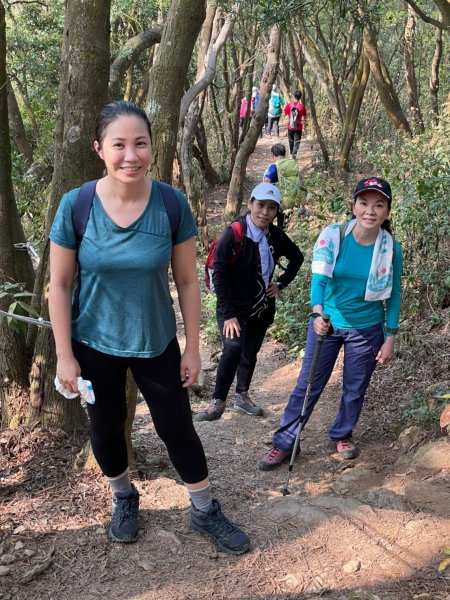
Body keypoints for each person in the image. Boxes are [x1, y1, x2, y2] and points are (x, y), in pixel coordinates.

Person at [48, 100, 250, 555]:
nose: (130, 155)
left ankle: (203, 508)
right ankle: (123, 497)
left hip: (155, 341)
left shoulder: (170, 204)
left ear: (151, 149)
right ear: (100, 148)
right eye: (119, 144)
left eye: (140, 144)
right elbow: (58, 285)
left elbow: (187, 281)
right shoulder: (76, 206)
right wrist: (64, 354)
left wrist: (193, 348)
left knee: (177, 428)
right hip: (92, 343)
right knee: (104, 429)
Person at [259, 177, 403, 469]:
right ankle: (285, 441)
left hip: (367, 328)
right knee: (308, 384)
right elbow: (320, 279)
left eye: (379, 205)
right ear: (353, 205)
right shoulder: (334, 236)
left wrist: (390, 336)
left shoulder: (391, 249)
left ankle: (342, 434)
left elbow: (395, 294)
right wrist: (316, 313)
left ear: (387, 211)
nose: (370, 211)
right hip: (328, 323)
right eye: (364, 203)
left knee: (355, 387)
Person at [195, 183, 303, 422]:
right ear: (250, 204)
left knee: (250, 351)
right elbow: (219, 274)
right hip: (232, 306)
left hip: (261, 305)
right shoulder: (232, 234)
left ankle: (242, 396)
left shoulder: (274, 235)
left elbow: (297, 257)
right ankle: (217, 402)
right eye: (261, 205)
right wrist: (229, 313)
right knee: (232, 348)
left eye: (271, 208)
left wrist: (281, 283)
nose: (265, 212)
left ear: (276, 211)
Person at [263, 144, 302, 211]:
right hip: (295, 200)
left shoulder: (274, 166)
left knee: (279, 217)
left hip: (282, 201)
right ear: (284, 154)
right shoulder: (293, 163)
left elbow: (266, 182)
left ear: (273, 155)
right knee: (287, 218)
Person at [284, 90, 306, 160]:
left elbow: (285, 114)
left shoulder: (289, 105)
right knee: (297, 142)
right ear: (300, 97)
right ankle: (294, 154)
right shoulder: (302, 106)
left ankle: (291, 154)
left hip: (290, 127)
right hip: (298, 127)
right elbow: (304, 116)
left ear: (294, 96)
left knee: (291, 141)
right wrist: (304, 126)